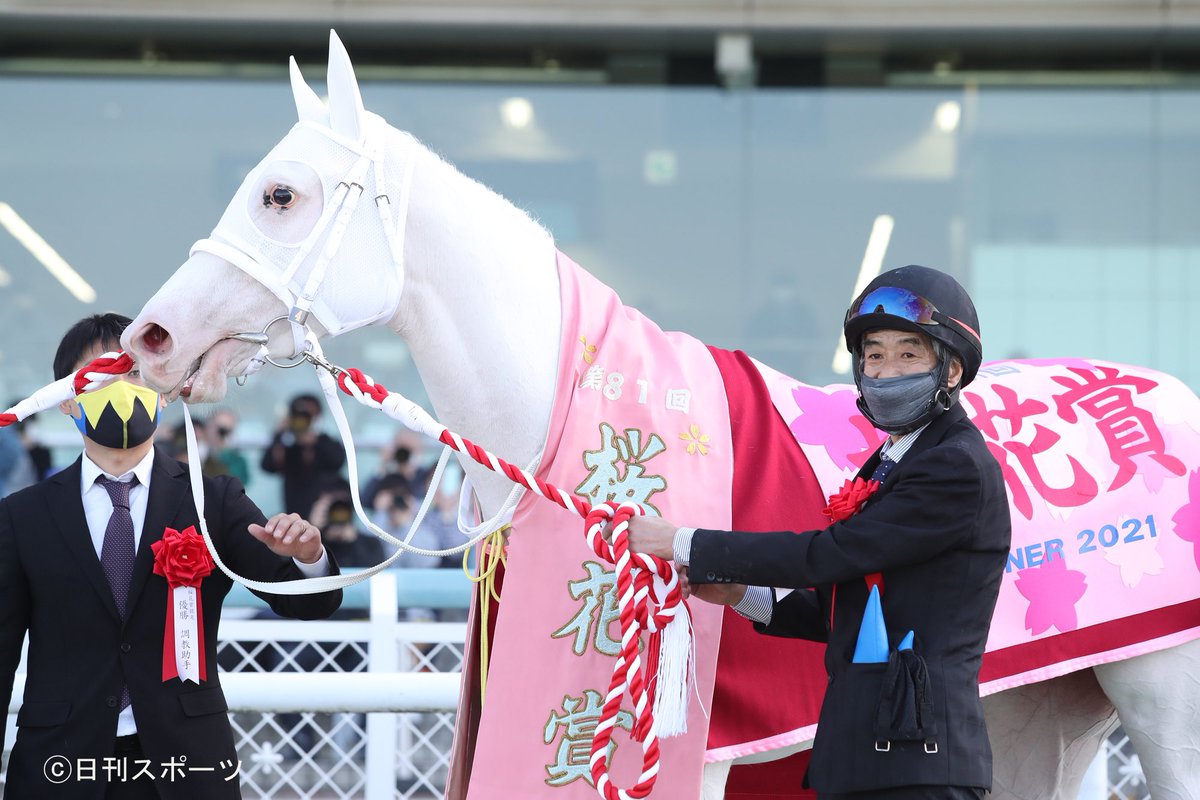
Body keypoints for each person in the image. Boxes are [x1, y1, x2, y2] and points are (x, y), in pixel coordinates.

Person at [626, 265, 1012, 799]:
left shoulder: (954, 466)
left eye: (908, 354)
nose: (885, 371)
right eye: (874, 355)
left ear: (950, 371)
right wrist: (742, 595)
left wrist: (683, 541)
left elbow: (832, 554)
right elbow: (845, 610)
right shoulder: (890, 461)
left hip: (918, 762)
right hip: (861, 759)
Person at [0, 313, 344, 800]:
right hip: (60, 766)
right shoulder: (22, 516)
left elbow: (307, 603)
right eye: (101, 374)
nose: (121, 386)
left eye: (136, 371)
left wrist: (309, 556)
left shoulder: (212, 501)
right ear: (65, 396)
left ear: (166, 388)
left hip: (188, 766)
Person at [260, 393, 345, 519]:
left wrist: (313, 442)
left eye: (309, 415)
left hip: (322, 514)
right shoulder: (285, 443)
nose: (303, 420)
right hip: (293, 510)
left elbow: (338, 462)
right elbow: (267, 465)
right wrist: (280, 433)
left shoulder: (325, 441)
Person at [201, 408, 250, 486]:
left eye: (227, 430)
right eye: (218, 427)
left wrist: (224, 452)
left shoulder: (236, 460)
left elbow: (239, 483)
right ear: (208, 425)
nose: (222, 433)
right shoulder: (194, 449)